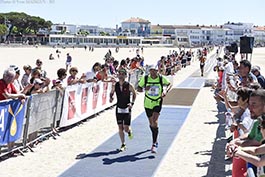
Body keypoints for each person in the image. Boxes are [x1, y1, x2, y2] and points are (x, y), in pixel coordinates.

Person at [137, 65, 172, 153]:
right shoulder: (145, 79)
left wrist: (165, 91)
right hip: (148, 103)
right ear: (149, 71)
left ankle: (154, 143)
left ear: (158, 71)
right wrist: (145, 88)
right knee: (151, 123)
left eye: (155, 71)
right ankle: (154, 136)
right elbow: (138, 88)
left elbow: (169, 84)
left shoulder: (161, 78)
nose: (153, 72)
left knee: (155, 122)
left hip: (157, 102)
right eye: (152, 71)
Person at [109, 69, 136, 151]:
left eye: (122, 74)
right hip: (119, 108)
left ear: (125, 76)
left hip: (127, 108)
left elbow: (134, 94)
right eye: (119, 74)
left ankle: (129, 131)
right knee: (120, 127)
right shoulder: (115, 85)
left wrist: (132, 103)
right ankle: (123, 144)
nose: (121, 76)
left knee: (126, 128)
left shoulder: (129, 85)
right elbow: (111, 92)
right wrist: (111, 97)